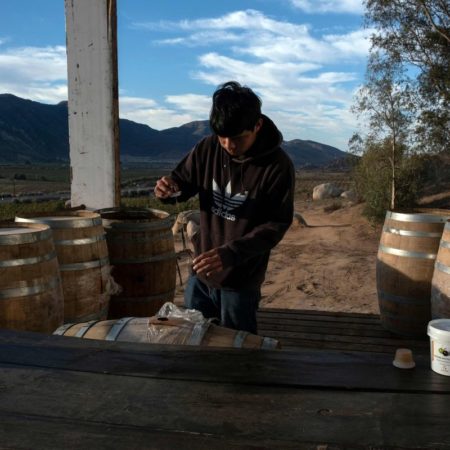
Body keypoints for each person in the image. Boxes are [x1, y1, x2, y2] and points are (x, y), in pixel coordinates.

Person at [154, 81, 295, 334]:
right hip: (200, 276)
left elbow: (276, 225)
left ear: (257, 125)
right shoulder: (207, 148)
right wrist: (167, 189)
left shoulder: (278, 166)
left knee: (236, 353)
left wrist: (231, 254)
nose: (229, 145)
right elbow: (182, 182)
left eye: (238, 138)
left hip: (240, 283)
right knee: (193, 343)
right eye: (222, 137)